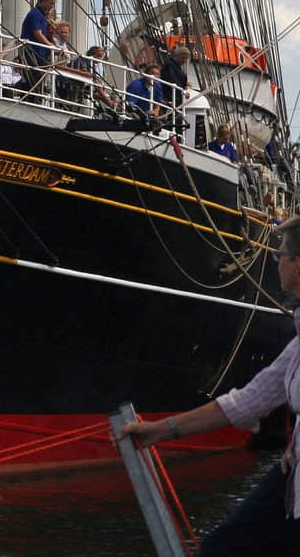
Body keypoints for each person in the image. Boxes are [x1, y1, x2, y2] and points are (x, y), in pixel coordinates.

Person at [118, 213, 300, 553]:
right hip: (293, 479)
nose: (274, 262)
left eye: (280, 254)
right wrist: (159, 430)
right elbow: (250, 400)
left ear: (298, 266)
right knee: (223, 545)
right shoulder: (297, 345)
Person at [19, 0, 58, 86]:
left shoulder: (43, 16)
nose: (52, 6)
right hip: (31, 51)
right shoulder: (35, 14)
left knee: (37, 79)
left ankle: (34, 98)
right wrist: (51, 46)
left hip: (38, 52)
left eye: (53, 3)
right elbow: (38, 34)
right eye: (51, 3)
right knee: (32, 78)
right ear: (42, 1)